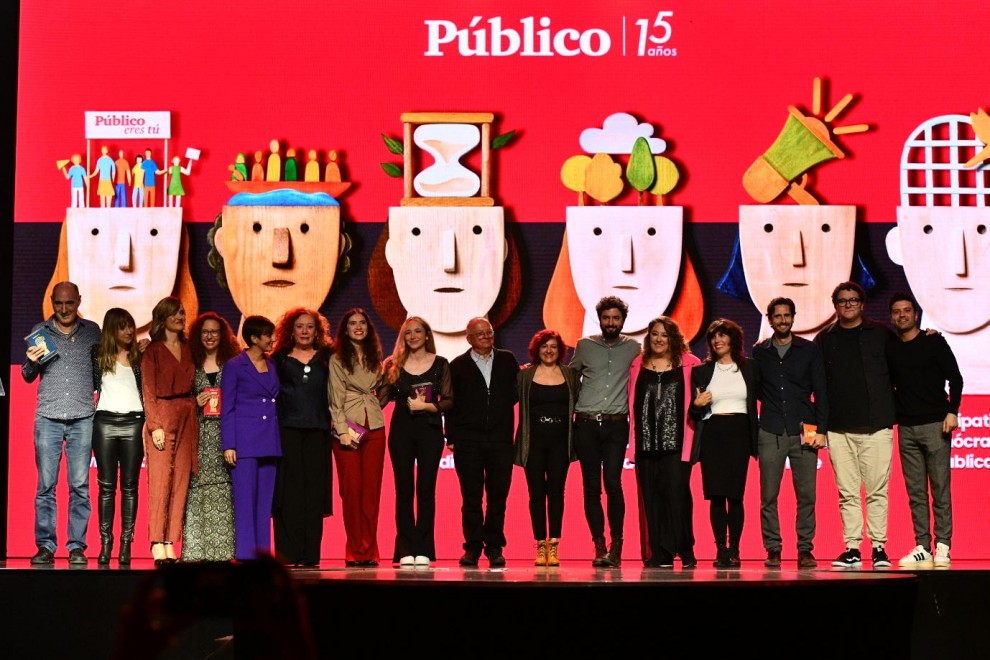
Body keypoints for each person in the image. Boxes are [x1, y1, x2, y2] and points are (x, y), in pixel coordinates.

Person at [814, 282, 897, 569]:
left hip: (877, 426)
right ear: (835, 306)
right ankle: (851, 548)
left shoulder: (882, 335)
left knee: (877, 491)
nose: (848, 305)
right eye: (842, 301)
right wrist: (819, 429)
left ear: (862, 304)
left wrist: (928, 336)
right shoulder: (824, 339)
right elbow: (817, 385)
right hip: (838, 429)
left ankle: (879, 548)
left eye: (853, 300)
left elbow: (905, 368)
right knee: (847, 492)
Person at [22, 281, 101, 565]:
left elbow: (102, 373)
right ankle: (45, 545)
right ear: (52, 302)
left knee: (80, 486)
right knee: (46, 486)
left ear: (79, 300)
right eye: (59, 303)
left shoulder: (92, 331)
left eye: (70, 303)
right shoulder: (39, 332)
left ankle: (77, 546)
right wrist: (31, 363)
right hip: (48, 417)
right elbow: (28, 376)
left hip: (82, 417)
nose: (65, 309)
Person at [752, 297, 829, 570]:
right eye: (778, 316)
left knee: (807, 494)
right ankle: (773, 549)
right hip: (771, 428)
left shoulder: (808, 350)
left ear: (793, 317)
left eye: (787, 315)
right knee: (768, 495)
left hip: (805, 429)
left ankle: (805, 549)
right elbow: (756, 390)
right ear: (770, 319)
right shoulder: (760, 353)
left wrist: (821, 429)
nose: (783, 320)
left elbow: (821, 391)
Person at [888, 293, 962, 568]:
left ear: (915, 315)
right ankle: (923, 545)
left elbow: (955, 377)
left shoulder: (934, 342)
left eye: (907, 311)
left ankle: (943, 545)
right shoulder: (891, 348)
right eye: (897, 312)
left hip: (936, 425)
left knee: (940, 489)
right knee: (916, 491)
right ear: (891, 316)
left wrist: (952, 410)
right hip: (906, 427)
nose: (902, 315)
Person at [569, 296, 641, 567]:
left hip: (616, 424)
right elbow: (569, 377)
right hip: (586, 423)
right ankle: (598, 545)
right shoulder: (585, 346)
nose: (611, 323)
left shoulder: (634, 348)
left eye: (616, 318)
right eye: (606, 318)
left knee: (613, 483)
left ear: (623, 320)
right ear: (599, 319)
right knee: (590, 488)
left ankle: (617, 545)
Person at [379, 316, 453, 568]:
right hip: (401, 431)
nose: (412, 336)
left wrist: (429, 406)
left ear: (427, 335)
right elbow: (380, 399)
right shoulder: (393, 364)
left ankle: (423, 548)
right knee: (403, 490)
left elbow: (449, 399)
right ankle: (405, 548)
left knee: (425, 490)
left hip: (430, 431)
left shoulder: (440, 364)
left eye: (417, 331)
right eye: (408, 332)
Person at [629, 316, 701, 568]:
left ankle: (686, 550)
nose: (659, 339)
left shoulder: (690, 364)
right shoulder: (637, 364)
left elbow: (697, 403)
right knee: (652, 498)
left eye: (664, 335)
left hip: (677, 445)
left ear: (673, 339)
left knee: (678, 496)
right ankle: (661, 553)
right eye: (654, 334)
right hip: (646, 445)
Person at [448, 317, 520, 567]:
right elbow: (451, 405)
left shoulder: (508, 360)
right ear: (468, 338)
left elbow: (514, 393)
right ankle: (472, 547)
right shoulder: (457, 365)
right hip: (468, 442)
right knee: (471, 498)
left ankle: (494, 547)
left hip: (500, 440)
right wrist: (452, 437)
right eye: (480, 334)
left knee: (498, 497)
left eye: (489, 332)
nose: (487, 337)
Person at [690, 319, 760, 568]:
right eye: (713, 337)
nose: (717, 340)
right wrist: (696, 406)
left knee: (736, 496)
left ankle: (735, 549)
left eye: (722, 336)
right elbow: (693, 411)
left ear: (733, 339)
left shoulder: (750, 368)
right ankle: (720, 549)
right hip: (713, 433)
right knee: (716, 496)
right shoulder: (701, 371)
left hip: (739, 433)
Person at [271, 308, 334, 567]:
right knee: (289, 493)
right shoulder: (278, 359)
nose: (305, 331)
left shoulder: (328, 358)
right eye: (300, 326)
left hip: (319, 432)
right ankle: (287, 554)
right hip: (287, 431)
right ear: (291, 330)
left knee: (314, 494)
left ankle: (310, 556)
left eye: (310, 327)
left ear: (317, 331)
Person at [515, 329, 579, 567]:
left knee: (556, 493)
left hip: (560, 442)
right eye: (544, 346)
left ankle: (554, 545)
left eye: (553, 346)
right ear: (536, 349)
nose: (549, 350)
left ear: (560, 350)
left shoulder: (570, 374)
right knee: (536, 494)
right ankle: (540, 545)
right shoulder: (525, 375)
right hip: (533, 442)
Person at [329, 309, 387, 567]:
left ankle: (370, 551)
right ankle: (355, 550)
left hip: (374, 427)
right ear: (345, 329)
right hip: (347, 429)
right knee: (351, 491)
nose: (358, 327)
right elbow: (335, 399)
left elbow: (382, 389)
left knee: (371, 493)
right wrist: (342, 430)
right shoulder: (337, 359)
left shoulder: (376, 357)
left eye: (362, 323)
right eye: (352, 323)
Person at [142, 296, 197, 564]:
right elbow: (149, 391)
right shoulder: (152, 351)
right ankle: (156, 540)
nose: (180, 316)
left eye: (182, 312)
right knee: (162, 481)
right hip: (162, 415)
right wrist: (155, 426)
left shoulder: (189, 348)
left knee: (180, 482)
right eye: (175, 313)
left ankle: (169, 540)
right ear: (162, 318)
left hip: (187, 414)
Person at [222, 315, 282, 561]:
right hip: (245, 442)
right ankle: (246, 554)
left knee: (264, 502)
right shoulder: (235, 365)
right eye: (268, 335)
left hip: (269, 440)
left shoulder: (272, 364)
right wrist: (229, 444)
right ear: (254, 338)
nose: (273, 339)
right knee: (245, 501)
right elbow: (228, 407)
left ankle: (263, 554)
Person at [183, 312, 240, 562]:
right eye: (205, 332)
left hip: (225, 434)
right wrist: (194, 402)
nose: (209, 336)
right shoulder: (190, 363)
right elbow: (177, 398)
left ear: (223, 335)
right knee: (195, 489)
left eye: (214, 331)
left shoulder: (234, 363)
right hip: (197, 433)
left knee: (225, 490)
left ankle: (224, 550)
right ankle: (196, 550)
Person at [91, 308, 145, 565]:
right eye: (122, 326)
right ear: (111, 329)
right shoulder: (97, 355)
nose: (128, 331)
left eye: (131, 326)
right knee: (106, 487)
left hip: (134, 422)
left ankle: (126, 544)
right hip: (105, 423)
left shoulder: (140, 357)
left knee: (130, 487)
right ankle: (105, 544)